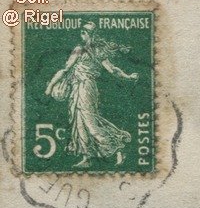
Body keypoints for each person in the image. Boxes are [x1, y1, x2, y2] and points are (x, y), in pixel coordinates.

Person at [44, 22, 137, 168]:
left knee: (89, 122)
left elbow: (112, 69)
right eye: (81, 30)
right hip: (77, 88)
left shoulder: (98, 51)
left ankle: (118, 147)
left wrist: (127, 76)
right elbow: (65, 69)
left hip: (87, 87)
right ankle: (87, 157)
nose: (82, 33)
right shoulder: (78, 49)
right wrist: (50, 86)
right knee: (79, 121)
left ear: (92, 34)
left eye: (85, 31)